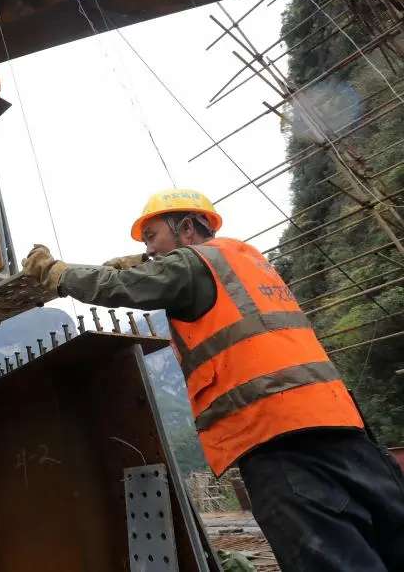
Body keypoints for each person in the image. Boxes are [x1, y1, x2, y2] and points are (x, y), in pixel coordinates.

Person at [21, 188, 404, 571]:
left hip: (277, 443)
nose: (150, 251)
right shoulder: (248, 260)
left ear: (187, 227)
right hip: (347, 433)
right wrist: (142, 259)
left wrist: (56, 273)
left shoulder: (190, 265)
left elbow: (119, 287)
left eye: (152, 237)